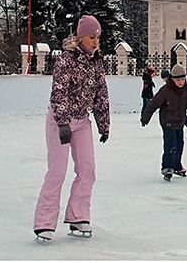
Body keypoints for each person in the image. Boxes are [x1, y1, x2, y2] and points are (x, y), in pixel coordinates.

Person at [33, 15, 111, 243]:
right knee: (57, 172)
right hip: (60, 122)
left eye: (98, 37)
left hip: (82, 122)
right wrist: (63, 122)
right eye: (91, 37)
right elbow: (58, 92)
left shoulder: (97, 61)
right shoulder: (66, 60)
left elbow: (101, 94)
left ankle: (78, 215)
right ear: (80, 37)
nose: (96, 42)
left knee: (87, 171)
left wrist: (103, 123)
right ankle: (44, 223)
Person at [142, 64, 187, 180]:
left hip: (179, 122)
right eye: (178, 80)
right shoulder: (165, 90)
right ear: (172, 79)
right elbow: (153, 104)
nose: (180, 82)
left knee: (179, 145)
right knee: (170, 145)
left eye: (182, 79)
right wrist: (145, 118)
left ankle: (176, 165)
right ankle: (167, 167)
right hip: (167, 122)